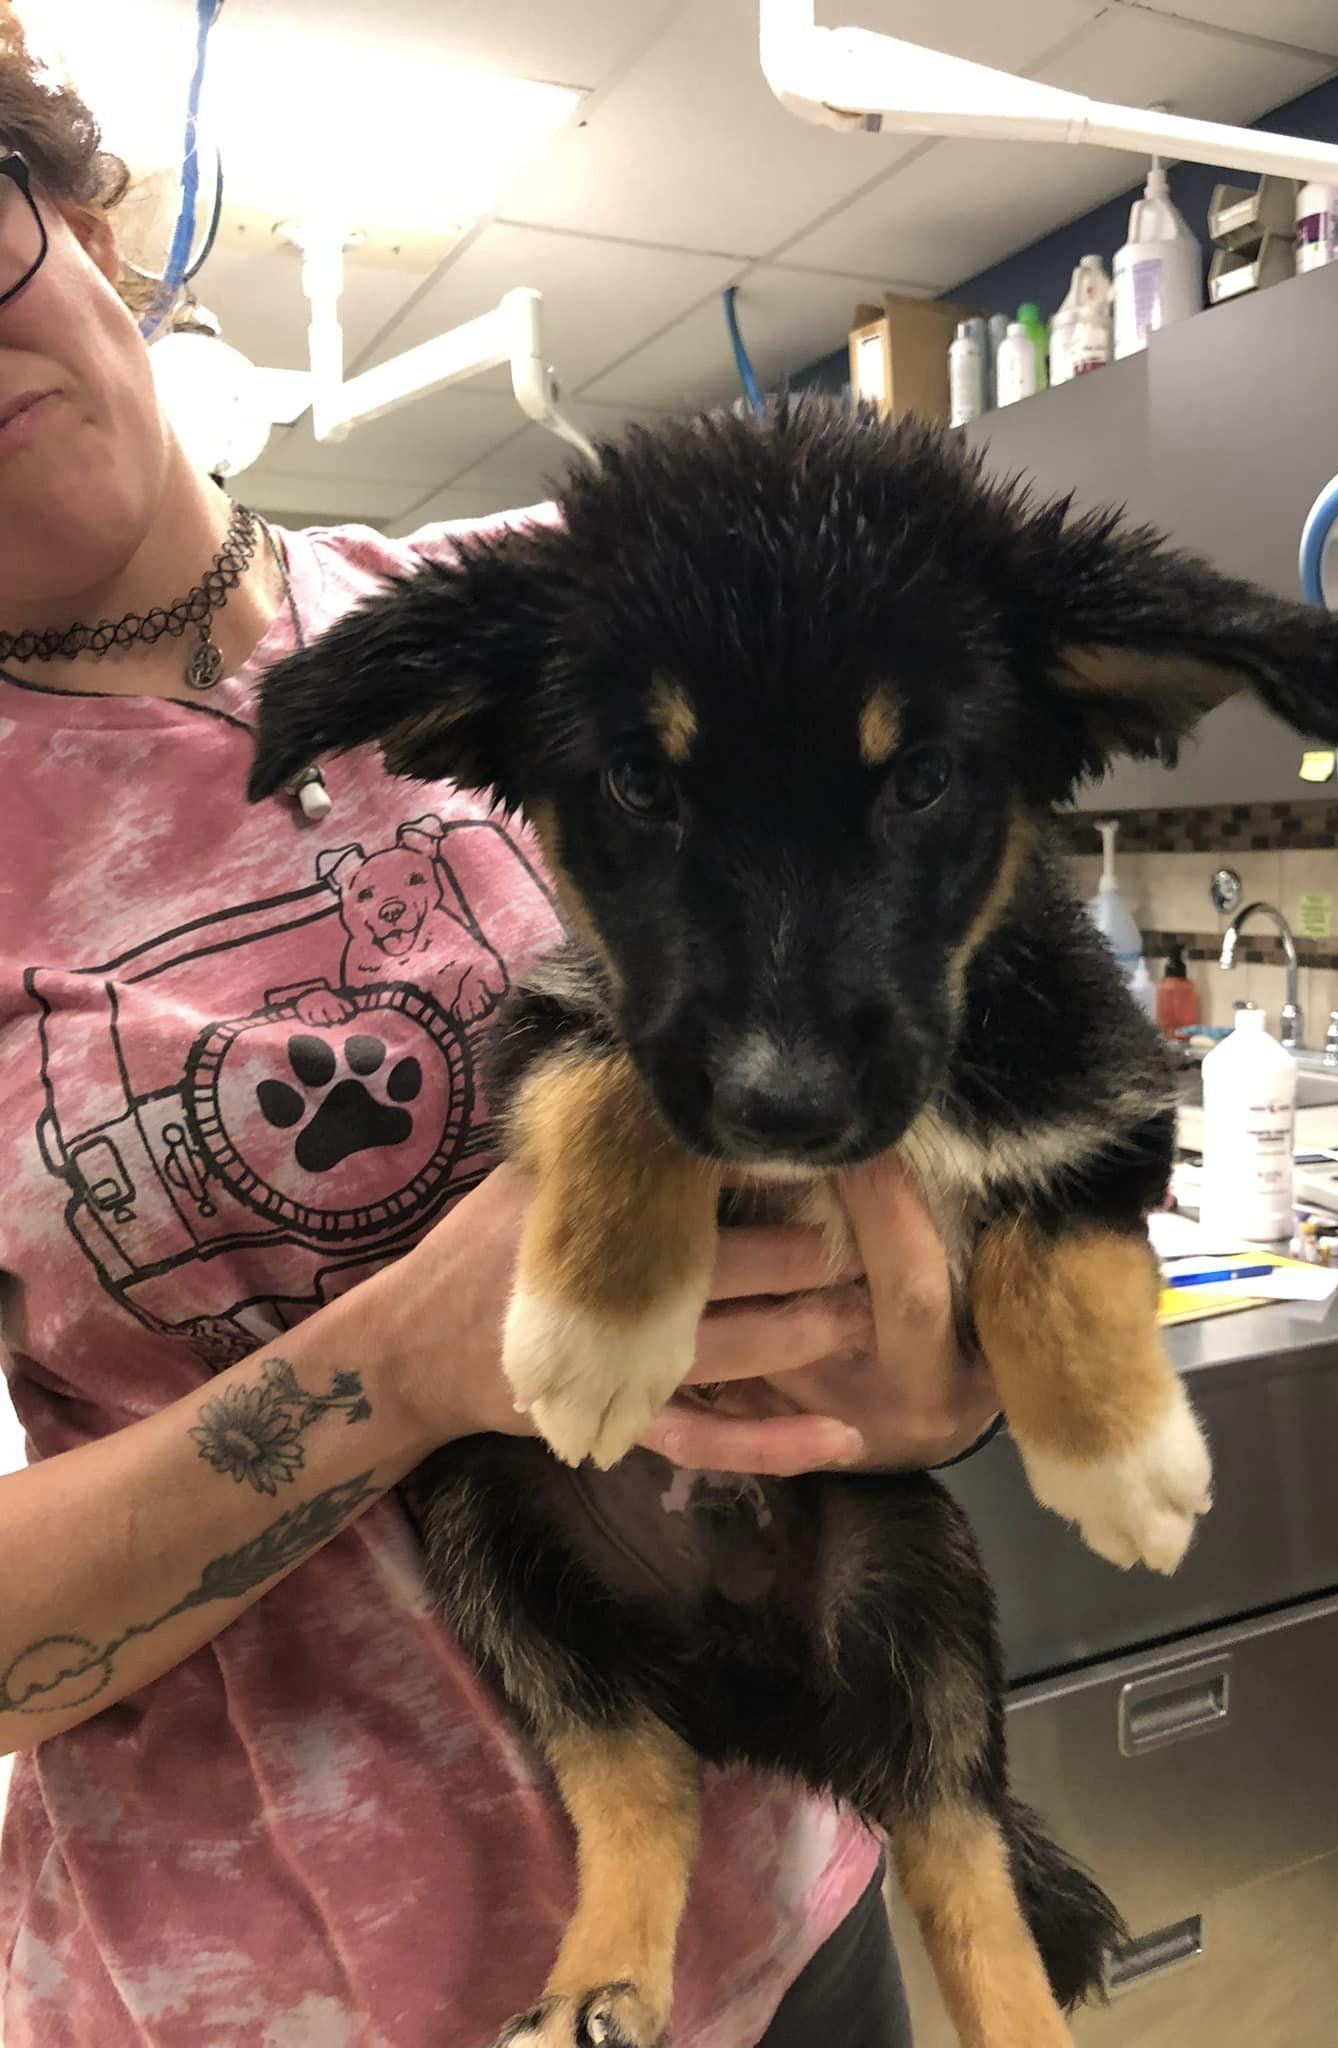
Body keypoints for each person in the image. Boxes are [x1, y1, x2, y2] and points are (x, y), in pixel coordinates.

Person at [0, 24, 1004, 2048]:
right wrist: (396, 1366)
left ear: (82, 219)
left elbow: (944, 1073)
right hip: (278, 1997)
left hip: (784, 1917)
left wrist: (936, 1379)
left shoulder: (576, 612)